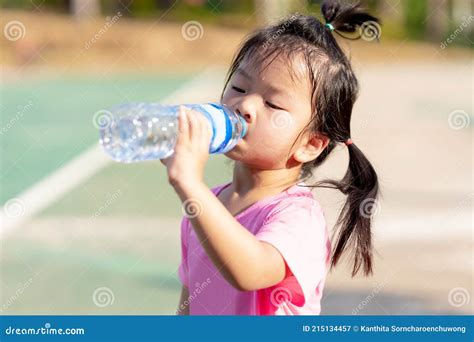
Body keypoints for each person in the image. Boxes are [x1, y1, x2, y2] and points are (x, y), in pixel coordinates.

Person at [162, 0, 381, 315]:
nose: (245, 106)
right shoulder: (205, 205)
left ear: (310, 144)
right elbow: (189, 305)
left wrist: (189, 185)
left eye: (273, 104)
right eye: (238, 86)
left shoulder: (298, 217)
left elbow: (249, 271)